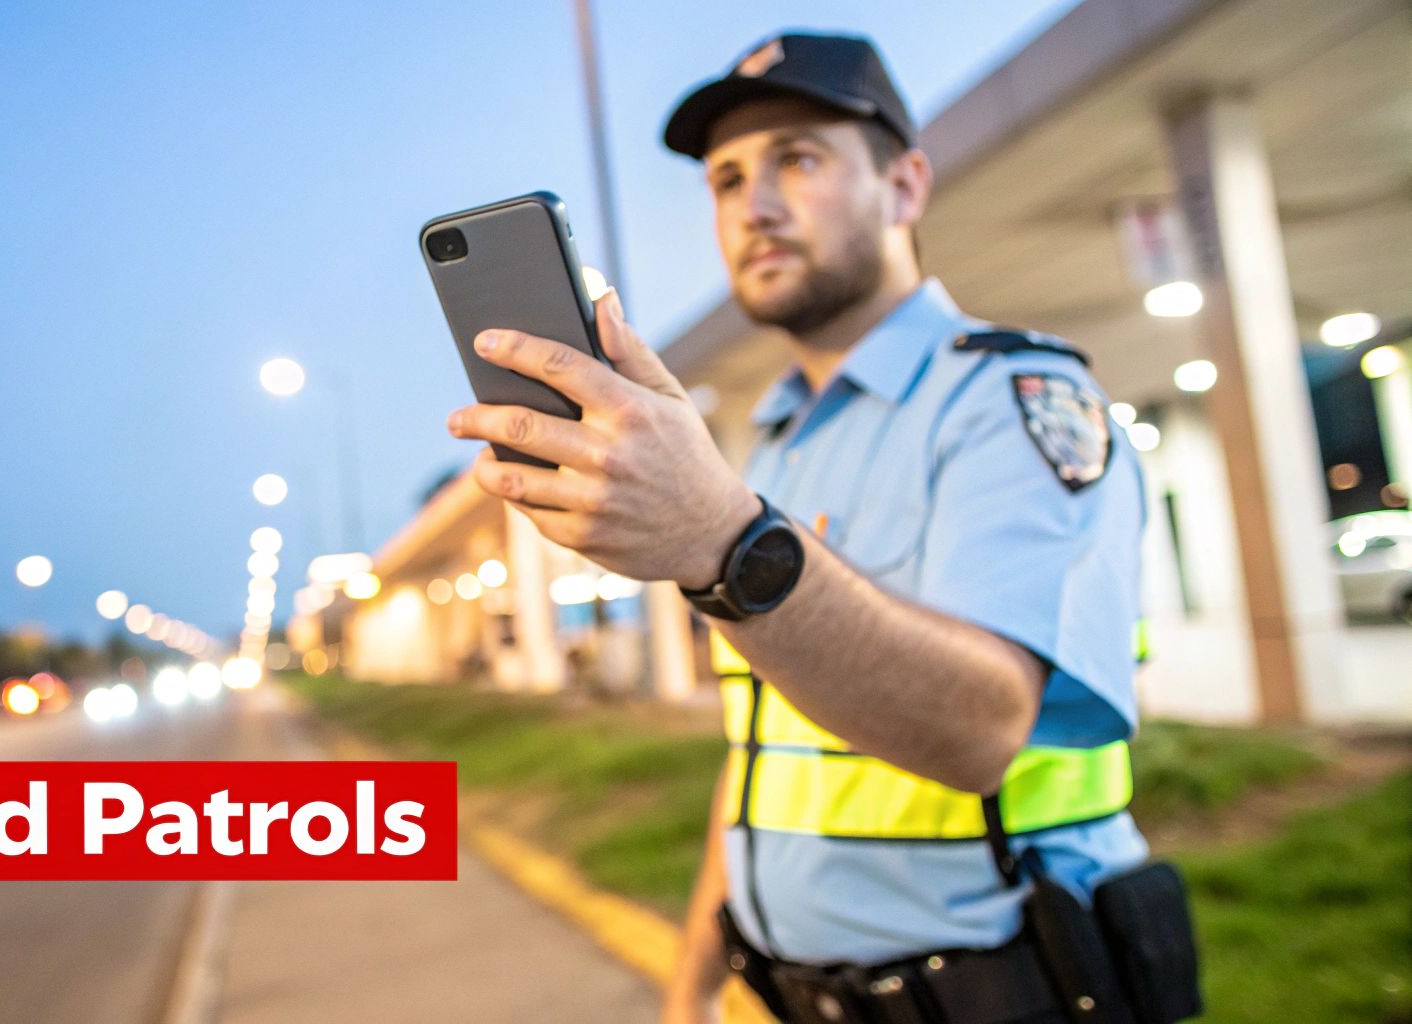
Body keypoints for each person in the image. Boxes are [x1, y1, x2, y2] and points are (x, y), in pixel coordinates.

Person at [445, 31, 1155, 1024]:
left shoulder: (1012, 399)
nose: (754, 205)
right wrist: (692, 984)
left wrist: (724, 542)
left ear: (904, 187)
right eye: (726, 179)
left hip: (1003, 991)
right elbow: (759, 762)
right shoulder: (771, 444)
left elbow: (982, 730)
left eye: (799, 159)